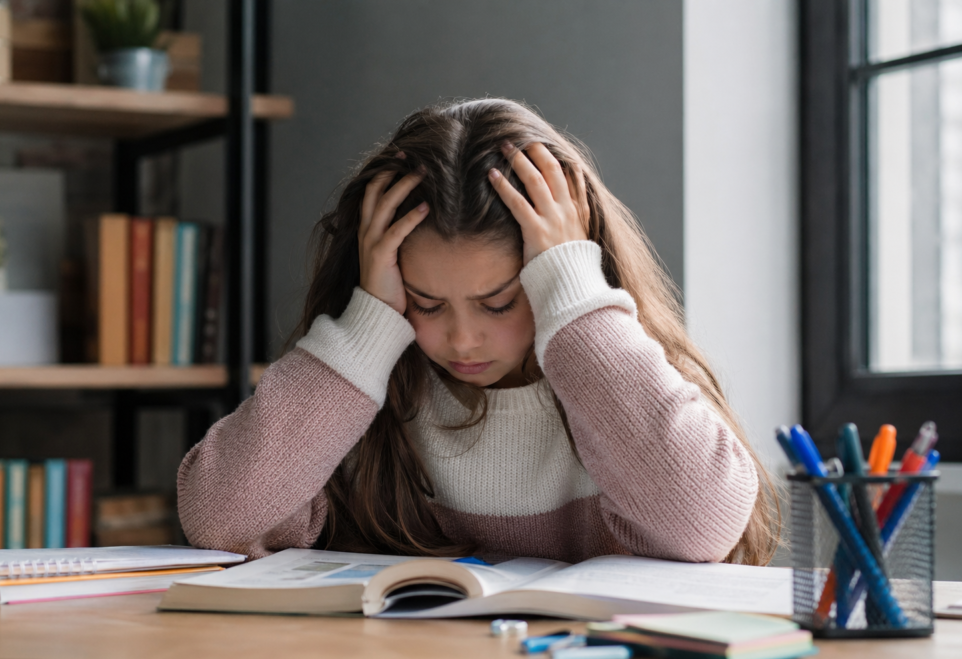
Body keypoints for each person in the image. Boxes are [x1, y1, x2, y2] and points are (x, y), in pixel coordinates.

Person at [178, 98, 779, 566]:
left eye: (499, 303)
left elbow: (700, 523)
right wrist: (367, 327)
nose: (462, 341)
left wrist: (576, 302)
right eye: (426, 304)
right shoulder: (368, 389)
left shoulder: (621, 375)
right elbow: (220, 520)